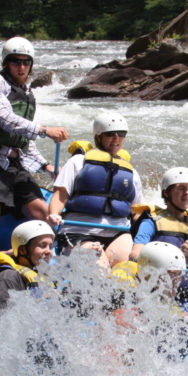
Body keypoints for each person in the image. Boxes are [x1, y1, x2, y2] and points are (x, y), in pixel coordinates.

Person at [0, 36, 69, 249]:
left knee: (44, 213)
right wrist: (45, 130)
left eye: (26, 62)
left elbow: (23, 140)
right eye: (15, 61)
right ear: (6, 63)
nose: (21, 67)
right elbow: (5, 119)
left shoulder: (27, 93)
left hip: (11, 160)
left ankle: (43, 258)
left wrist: (45, 166)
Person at [47, 111, 144, 268]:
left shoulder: (131, 171)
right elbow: (61, 194)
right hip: (79, 229)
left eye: (121, 134)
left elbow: (137, 210)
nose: (116, 138)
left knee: (128, 269)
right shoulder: (78, 162)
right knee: (99, 269)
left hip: (117, 230)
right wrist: (53, 214)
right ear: (99, 136)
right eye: (110, 134)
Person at [130, 166, 188, 281]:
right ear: (166, 193)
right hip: (161, 285)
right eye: (181, 188)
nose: (187, 193)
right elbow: (135, 254)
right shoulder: (152, 222)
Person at [0, 220, 55, 312]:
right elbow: (3, 318)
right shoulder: (7, 278)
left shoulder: (45, 278)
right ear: (22, 250)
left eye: (50, 247)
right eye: (42, 246)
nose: (49, 251)